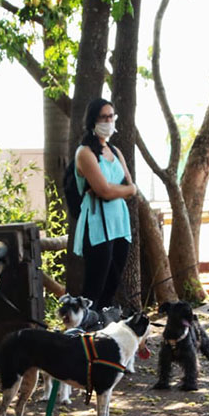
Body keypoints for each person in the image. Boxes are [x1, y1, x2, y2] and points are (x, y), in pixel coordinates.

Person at [74, 98, 136, 309]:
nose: (109, 121)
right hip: (98, 226)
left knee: (112, 287)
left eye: (112, 116)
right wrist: (114, 190)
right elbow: (105, 191)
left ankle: (103, 333)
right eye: (104, 117)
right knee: (94, 289)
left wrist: (115, 190)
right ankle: (82, 335)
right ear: (93, 120)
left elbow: (131, 187)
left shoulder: (116, 151)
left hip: (120, 224)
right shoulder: (85, 153)